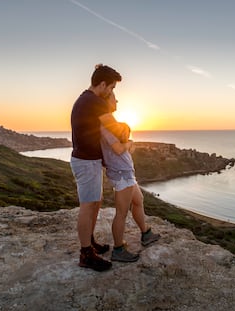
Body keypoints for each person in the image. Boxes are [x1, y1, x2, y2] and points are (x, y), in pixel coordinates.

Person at [70, 64, 133, 272]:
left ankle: (90, 243)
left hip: (90, 160)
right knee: (88, 206)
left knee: (95, 204)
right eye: (112, 88)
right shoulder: (95, 102)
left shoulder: (85, 99)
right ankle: (86, 254)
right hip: (86, 162)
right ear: (103, 84)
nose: (112, 93)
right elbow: (115, 129)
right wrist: (126, 133)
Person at [101, 92, 160, 263]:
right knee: (121, 213)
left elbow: (123, 145)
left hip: (127, 173)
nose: (116, 100)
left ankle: (146, 233)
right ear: (106, 101)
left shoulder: (111, 124)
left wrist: (127, 142)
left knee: (138, 200)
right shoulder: (104, 125)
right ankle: (118, 249)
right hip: (121, 174)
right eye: (113, 97)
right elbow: (119, 149)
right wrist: (128, 143)